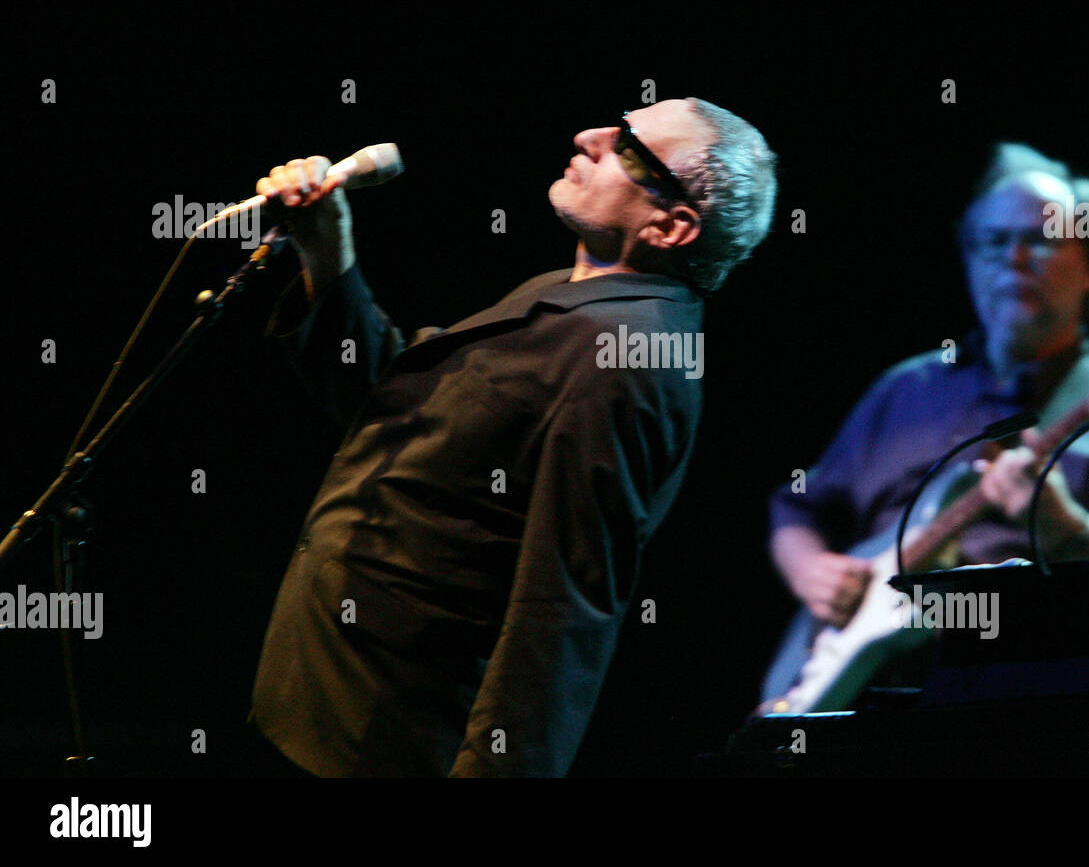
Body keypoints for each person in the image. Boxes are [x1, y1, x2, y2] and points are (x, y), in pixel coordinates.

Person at [247, 98, 778, 776]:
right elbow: (399, 403)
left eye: (629, 147)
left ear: (672, 226)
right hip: (324, 702)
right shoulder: (573, 295)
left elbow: (559, 614)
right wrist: (329, 249)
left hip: (380, 738)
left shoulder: (629, 358)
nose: (589, 136)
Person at [763, 142, 1089, 704]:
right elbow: (797, 504)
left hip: (1018, 712)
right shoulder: (906, 388)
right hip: (844, 697)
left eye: (1040, 239)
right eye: (993, 241)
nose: (1013, 258)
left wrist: (1072, 530)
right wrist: (812, 570)